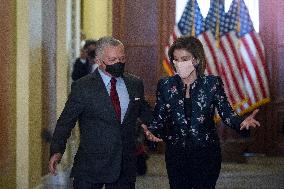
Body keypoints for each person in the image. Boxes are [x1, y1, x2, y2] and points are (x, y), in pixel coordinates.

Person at [146, 36, 260, 189]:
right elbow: (158, 118)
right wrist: (152, 132)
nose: (179, 63)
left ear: (196, 60)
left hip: (206, 154)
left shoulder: (212, 84)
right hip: (176, 154)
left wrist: (241, 121)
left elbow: (227, 114)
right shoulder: (166, 85)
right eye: (176, 59)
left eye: (184, 58)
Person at [49, 36, 153, 189]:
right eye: (112, 60)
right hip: (90, 166)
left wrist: (149, 124)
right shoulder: (82, 87)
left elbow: (142, 108)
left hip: (124, 166)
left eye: (122, 58)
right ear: (98, 61)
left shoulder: (134, 83)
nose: (118, 63)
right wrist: (57, 150)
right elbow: (66, 121)